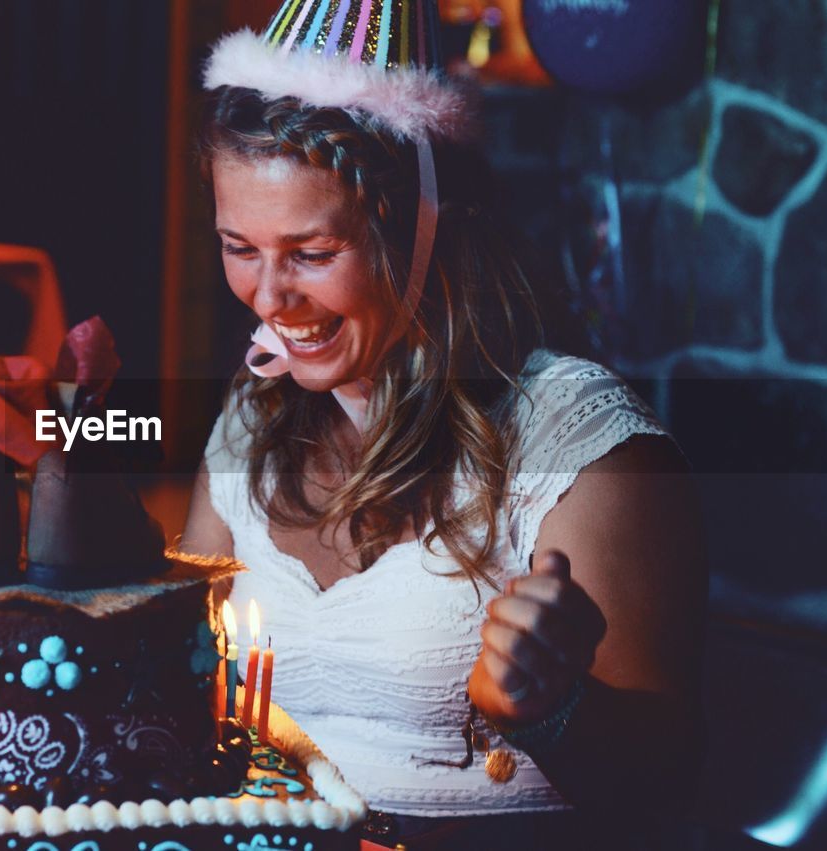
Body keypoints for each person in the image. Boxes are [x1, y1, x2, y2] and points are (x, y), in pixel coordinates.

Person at [181, 4, 706, 849]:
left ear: (426, 229)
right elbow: (183, 675)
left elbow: (668, 784)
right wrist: (65, 455)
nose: (269, 297)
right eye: (239, 246)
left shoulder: (585, 449)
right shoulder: (250, 421)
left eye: (312, 253)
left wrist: (555, 710)